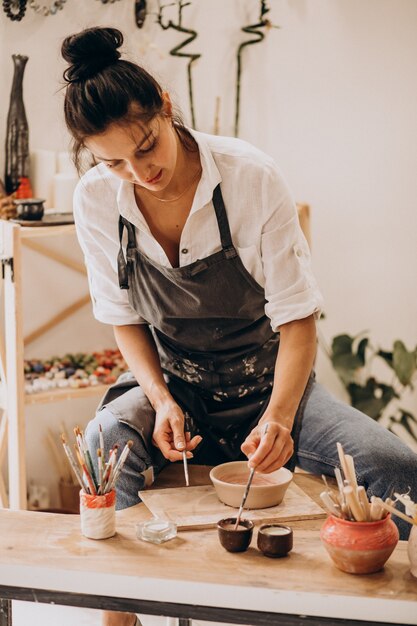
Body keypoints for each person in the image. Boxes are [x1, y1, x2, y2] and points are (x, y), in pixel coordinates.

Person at [62, 26, 416, 626]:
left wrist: (278, 415)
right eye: (113, 161)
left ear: (166, 111)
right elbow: (123, 320)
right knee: (106, 445)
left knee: (394, 467)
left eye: (146, 147)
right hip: (176, 384)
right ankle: (118, 615)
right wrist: (160, 400)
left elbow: (299, 318)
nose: (138, 170)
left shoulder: (249, 177)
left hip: (270, 384)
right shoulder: (96, 198)